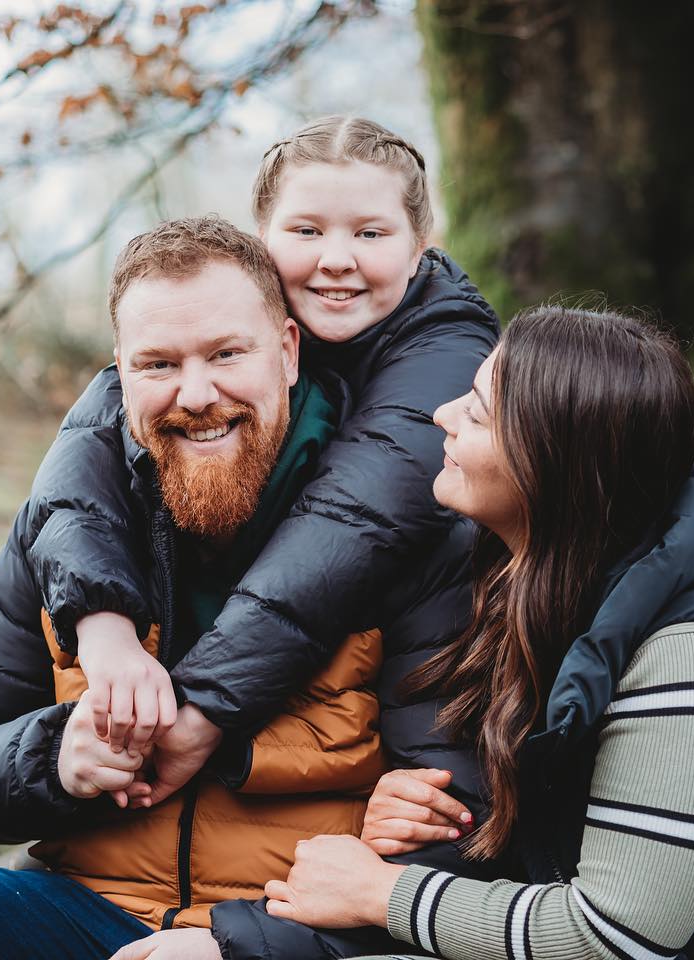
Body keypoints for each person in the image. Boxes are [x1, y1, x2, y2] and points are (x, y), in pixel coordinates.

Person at [0, 217, 489, 960]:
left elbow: (454, 821)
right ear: (118, 371)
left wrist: (241, 942)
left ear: (288, 352)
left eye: (227, 354)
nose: (196, 394)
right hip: (84, 913)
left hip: (278, 930)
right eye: (157, 364)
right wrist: (55, 758)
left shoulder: (400, 529)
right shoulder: (73, 526)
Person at [259, 306, 694, 960]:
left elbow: (614, 938)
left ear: (550, 466)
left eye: (475, 410)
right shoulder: (545, 588)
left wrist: (385, 894)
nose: (442, 417)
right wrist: (415, 815)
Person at [42, 116, 499, 818]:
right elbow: (89, 435)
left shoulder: (446, 350)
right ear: (263, 239)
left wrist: (200, 709)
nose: (337, 259)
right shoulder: (230, 319)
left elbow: (354, 520)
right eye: (307, 231)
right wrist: (100, 621)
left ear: (419, 249)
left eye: (370, 234)